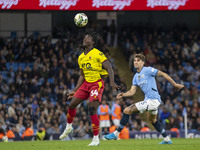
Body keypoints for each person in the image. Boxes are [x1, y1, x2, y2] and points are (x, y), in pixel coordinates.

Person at [104, 53, 184, 144]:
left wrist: (175, 84)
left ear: (143, 62)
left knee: (127, 110)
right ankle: (167, 139)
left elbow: (163, 74)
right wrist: (123, 95)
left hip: (153, 100)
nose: (136, 62)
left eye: (138, 61)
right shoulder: (135, 77)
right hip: (149, 101)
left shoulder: (148, 70)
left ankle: (116, 133)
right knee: (152, 120)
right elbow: (132, 91)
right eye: (135, 60)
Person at [59, 32, 120, 146]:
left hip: (96, 84)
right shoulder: (81, 57)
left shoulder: (98, 53)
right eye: (84, 38)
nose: (84, 40)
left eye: (87, 38)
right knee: (71, 105)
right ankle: (68, 127)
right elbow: (82, 75)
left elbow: (109, 67)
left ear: (92, 42)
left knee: (91, 109)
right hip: (85, 84)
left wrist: (112, 82)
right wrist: (75, 90)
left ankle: (96, 139)